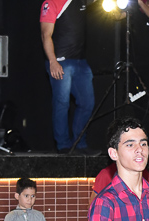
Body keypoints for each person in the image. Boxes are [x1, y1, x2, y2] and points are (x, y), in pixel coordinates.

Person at [40, 0, 95, 154]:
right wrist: (53, 61)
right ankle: (63, 145)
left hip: (80, 62)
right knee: (62, 103)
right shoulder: (51, 3)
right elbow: (45, 35)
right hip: (60, 61)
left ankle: (79, 143)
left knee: (87, 103)